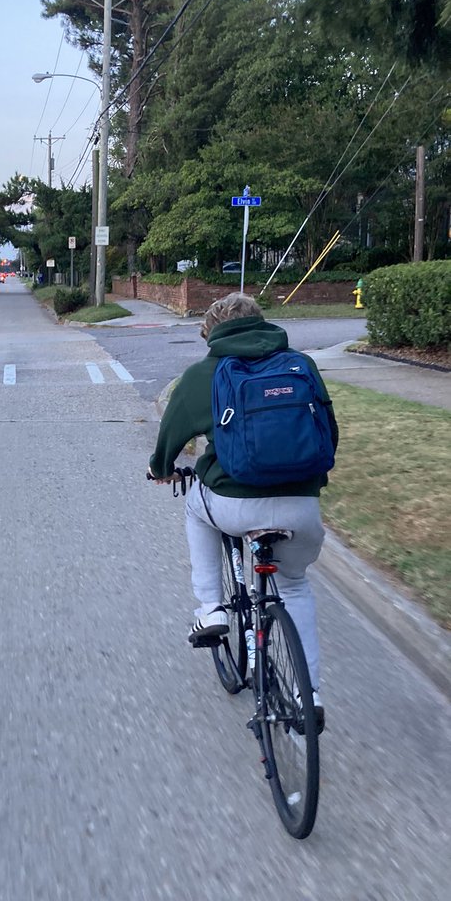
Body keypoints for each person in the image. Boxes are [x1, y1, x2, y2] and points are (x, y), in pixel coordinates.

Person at [147, 292, 339, 728]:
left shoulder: (205, 373)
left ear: (212, 332)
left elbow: (170, 438)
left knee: (196, 509)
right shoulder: (300, 366)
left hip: (235, 505)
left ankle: (211, 607)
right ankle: (308, 695)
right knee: (293, 586)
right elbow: (329, 431)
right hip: (302, 507)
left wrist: (161, 469)